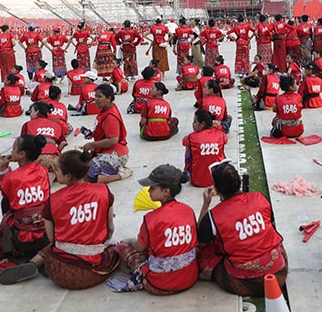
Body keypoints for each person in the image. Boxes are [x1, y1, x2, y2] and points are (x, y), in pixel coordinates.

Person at [0, 150, 120, 288]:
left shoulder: (54, 200)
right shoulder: (103, 191)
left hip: (60, 272)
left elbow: (52, 240)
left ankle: (33, 263)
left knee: (56, 247)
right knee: (117, 248)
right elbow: (110, 229)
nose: (54, 172)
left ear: (68, 176)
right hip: (95, 270)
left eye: (57, 170)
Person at [197, 161, 287, 296]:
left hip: (244, 282)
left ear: (217, 188)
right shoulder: (259, 198)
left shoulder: (213, 216)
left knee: (205, 254)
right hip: (278, 273)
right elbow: (270, 223)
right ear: (239, 181)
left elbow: (200, 243)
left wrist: (206, 205)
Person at [114, 164, 198, 294]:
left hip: (159, 284)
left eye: (152, 188)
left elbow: (140, 247)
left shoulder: (151, 218)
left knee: (122, 248)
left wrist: (129, 241)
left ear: (166, 191)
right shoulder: (188, 210)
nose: (149, 191)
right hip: (189, 277)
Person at [0, 135, 51, 262]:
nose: (11, 152)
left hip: (21, 241)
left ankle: (14, 249)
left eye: (13, 149)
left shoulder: (12, 177)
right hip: (46, 236)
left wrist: (3, 170)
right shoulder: (42, 170)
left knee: (6, 203)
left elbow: (6, 195)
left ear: (21, 154)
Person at [82, 84, 131, 183]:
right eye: (95, 96)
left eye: (99, 97)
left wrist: (92, 145)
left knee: (88, 175)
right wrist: (93, 134)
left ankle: (120, 174)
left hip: (115, 153)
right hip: (105, 150)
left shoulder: (110, 116)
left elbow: (113, 140)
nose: (96, 99)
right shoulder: (105, 111)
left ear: (108, 98)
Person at [182, 110, 228, 187]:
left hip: (197, 181)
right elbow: (226, 140)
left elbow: (184, 142)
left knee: (189, 147)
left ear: (203, 124)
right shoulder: (220, 134)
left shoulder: (191, 137)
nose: (193, 124)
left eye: (195, 122)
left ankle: (187, 171)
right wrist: (217, 127)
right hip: (218, 179)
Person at [21, 101, 67, 170]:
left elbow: (22, 144)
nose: (30, 114)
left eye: (31, 111)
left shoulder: (27, 125)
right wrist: (57, 152)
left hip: (37, 159)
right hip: (54, 160)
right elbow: (63, 143)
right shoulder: (56, 125)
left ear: (37, 111)